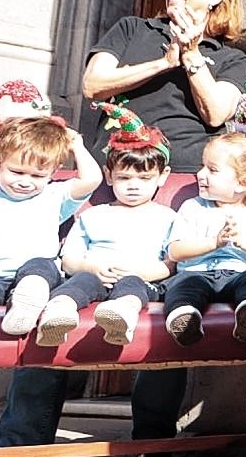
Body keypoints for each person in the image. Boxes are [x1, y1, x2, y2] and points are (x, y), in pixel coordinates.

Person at [0, 0, 246, 457]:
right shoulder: (133, 28)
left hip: (178, 183)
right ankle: (22, 448)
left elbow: (218, 113)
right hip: (104, 178)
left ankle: (152, 442)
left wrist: (194, 54)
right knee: (57, 287)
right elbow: (93, 84)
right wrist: (165, 58)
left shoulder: (229, 57)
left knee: (167, 295)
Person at [33, 104, 176, 347]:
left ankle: (121, 316)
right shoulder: (93, 216)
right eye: (124, 177)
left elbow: (170, 265)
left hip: (141, 279)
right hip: (93, 274)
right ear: (109, 175)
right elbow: (69, 258)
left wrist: (140, 272)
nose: (133, 186)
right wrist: (89, 267)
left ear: (162, 176)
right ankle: (58, 313)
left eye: (144, 178)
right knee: (79, 283)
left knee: (133, 288)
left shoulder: (168, 217)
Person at [161, 126, 246, 346]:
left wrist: (243, 242)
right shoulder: (192, 207)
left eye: (212, 170)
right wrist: (214, 243)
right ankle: (184, 318)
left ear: (242, 183)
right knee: (182, 286)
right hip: (197, 273)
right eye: (202, 166)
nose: (200, 174)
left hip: (240, 274)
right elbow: (175, 252)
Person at [0, 117, 102, 332]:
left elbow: (92, 179)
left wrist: (76, 145)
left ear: (53, 172)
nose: (25, 182)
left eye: (37, 175)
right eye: (16, 172)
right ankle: (20, 312)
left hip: (41, 278)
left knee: (41, 265)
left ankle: (29, 299)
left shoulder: (54, 196)